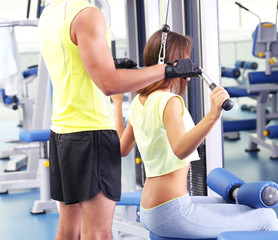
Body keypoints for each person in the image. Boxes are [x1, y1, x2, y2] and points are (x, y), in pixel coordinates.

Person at [37, 0, 200, 239]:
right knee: (98, 234)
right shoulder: (88, 15)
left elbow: (74, 65)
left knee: (69, 228)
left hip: (62, 132)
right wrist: (168, 69)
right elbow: (109, 85)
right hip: (91, 134)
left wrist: (109, 65)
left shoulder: (49, 13)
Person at [112, 30, 278, 239]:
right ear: (174, 63)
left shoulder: (140, 100)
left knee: (235, 203)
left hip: (150, 208)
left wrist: (118, 103)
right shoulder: (169, 101)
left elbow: (122, 148)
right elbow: (181, 149)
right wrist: (213, 115)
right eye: (185, 57)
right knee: (266, 218)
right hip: (171, 211)